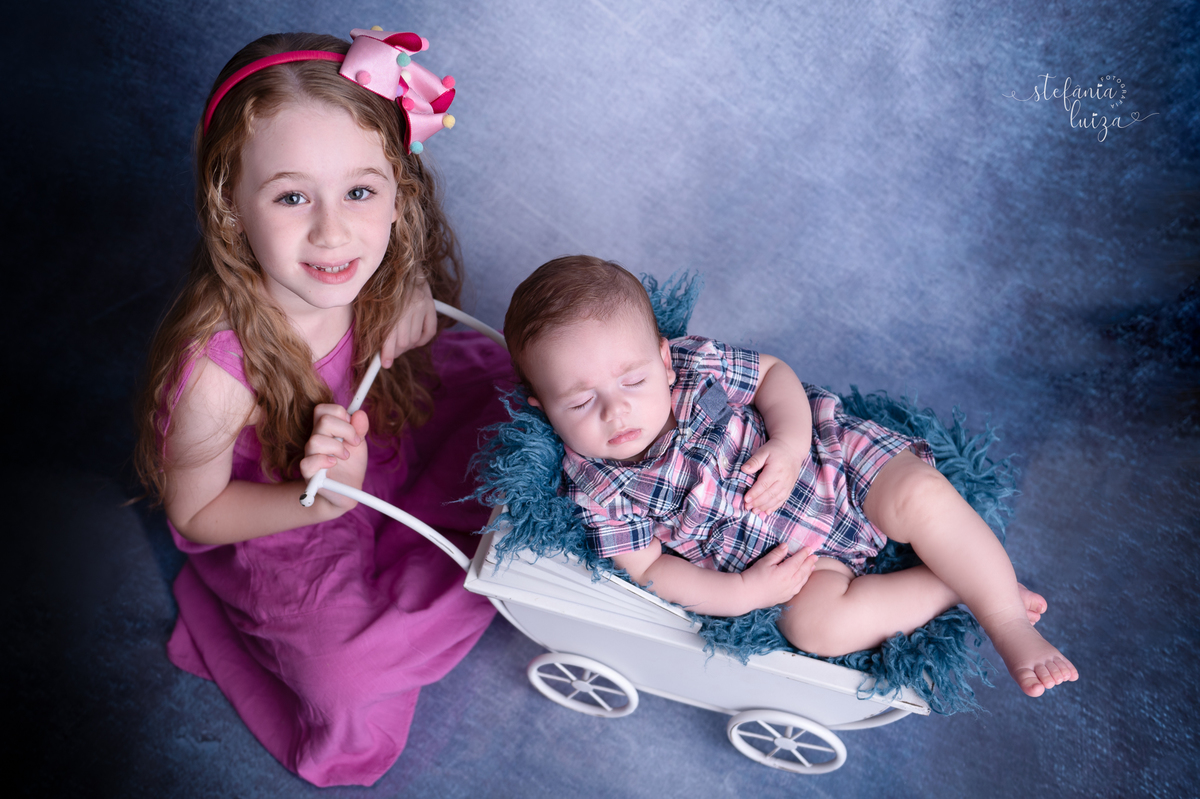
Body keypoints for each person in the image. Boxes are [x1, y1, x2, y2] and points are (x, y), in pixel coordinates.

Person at [133, 29, 511, 787]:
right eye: (292, 196)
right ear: (230, 203)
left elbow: (381, 263)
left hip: (390, 431)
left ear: (398, 194)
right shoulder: (215, 373)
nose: (333, 233)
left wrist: (407, 289)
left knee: (534, 393)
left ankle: (462, 542)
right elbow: (197, 513)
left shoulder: (362, 263)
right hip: (287, 514)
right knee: (348, 693)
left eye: (360, 192)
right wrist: (321, 501)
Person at [503, 255, 1079, 698]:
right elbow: (651, 569)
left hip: (834, 466)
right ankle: (960, 585)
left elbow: (773, 375)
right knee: (816, 628)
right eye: (579, 402)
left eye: (633, 380)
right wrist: (743, 593)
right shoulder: (596, 489)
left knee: (920, 495)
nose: (616, 410)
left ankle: (1007, 621)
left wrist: (789, 442)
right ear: (542, 407)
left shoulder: (696, 365)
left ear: (662, 357)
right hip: (795, 562)